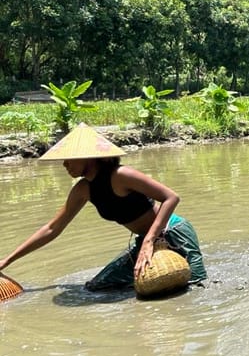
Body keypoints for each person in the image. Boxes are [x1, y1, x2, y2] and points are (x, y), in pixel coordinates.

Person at [0, 123, 206, 291]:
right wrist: (7, 261)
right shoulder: (83, 189)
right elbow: (52, 228)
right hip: (145, 241)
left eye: (69, 159)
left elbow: (170, 197)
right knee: (98, 286)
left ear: (89, 157)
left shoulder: (121, 175)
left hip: (174, 232)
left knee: (195, 286)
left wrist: (149, 241)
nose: (64, 165)